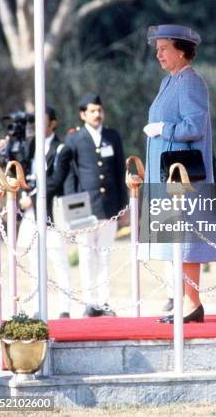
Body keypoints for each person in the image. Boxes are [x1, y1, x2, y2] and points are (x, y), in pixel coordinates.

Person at [140, 24, 216, 324]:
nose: (158, 53)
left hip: (184, 179)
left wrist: (164, 129)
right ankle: (185, 300)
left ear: (181, 50)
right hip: (169, 177)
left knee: (187, 241)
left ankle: (192, 302)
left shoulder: (190, 82)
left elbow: (193, 127)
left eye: (164, 48)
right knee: (177, 240)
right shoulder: (169, 81)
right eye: (157, 48)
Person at [0, 106, 72, 318]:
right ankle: (39, 307)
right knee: (33, 262)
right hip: (30, 215)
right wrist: (6, 151)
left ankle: (64, 308)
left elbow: (56, 181)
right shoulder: (29, 146)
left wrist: (32, 196)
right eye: (34, 122)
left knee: (59, 261)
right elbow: (15, 170)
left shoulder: (61, 148)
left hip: (51, 214)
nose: (36, 126)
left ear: (52, 123)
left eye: (42, 121)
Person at [65, 93, 127, 317]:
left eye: (99, 110)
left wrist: (123, 206)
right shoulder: (74, 139)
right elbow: (70, 175)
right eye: (92, 111)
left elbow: (120, 171)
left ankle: (103, 301)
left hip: (109, 206)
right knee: (86, 254)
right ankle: (89, 302)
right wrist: (72, 206)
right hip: (85, 207)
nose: (97, 114)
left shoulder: (112, 136)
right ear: (83, 114)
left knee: (104, 254)